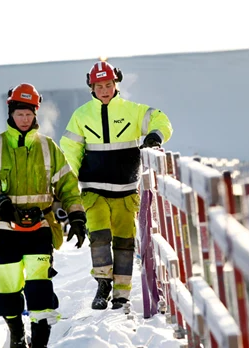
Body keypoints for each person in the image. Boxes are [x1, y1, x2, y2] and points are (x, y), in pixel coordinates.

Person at [0, 83, 87, 348]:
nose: (24, 118)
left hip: (40, 229)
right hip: (3, 231)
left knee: (39, 290)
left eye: (29, 113)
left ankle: (40, 346)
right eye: (19, 113)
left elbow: (68, 186)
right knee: (8, 292)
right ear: (11, 113)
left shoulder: (49, 148)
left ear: (36, 113)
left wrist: (77, 215)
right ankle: (15, 332)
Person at [60, 61, 173, 310]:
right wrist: (69, 188)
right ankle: (102, 285)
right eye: (99, 86)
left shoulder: (133, 111)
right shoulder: (81, 115)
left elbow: (161, 119)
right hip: (93, 190)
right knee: (99, 237)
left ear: (116, 84)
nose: (104, 90)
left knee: (124, 242)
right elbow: (70, 152)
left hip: (125, 191)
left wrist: (154, 136)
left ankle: (121, 293)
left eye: (109, 84)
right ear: (92, 87)